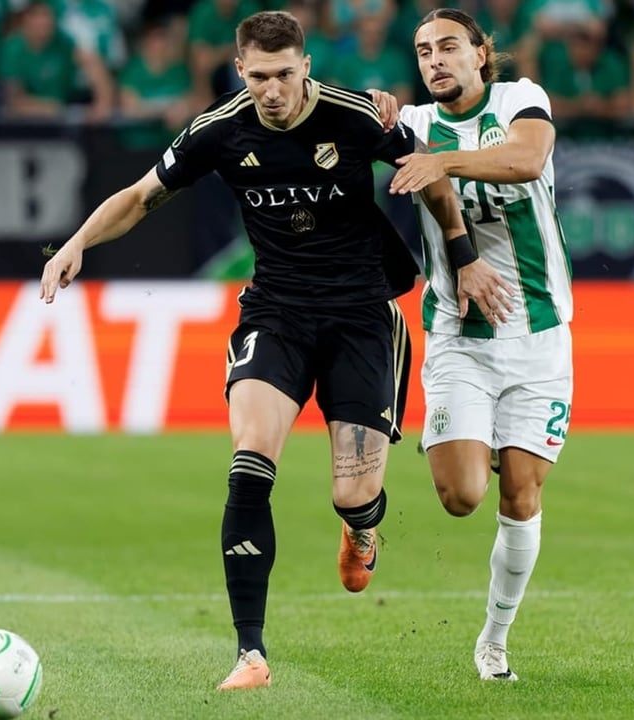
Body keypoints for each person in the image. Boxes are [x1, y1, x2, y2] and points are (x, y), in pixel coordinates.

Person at [40, 9, 506, 692]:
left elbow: (430, 174)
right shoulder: (220, 129)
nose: (273, 90)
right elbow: (143, 197)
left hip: (360, 317)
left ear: (306, 67)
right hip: (277, 313)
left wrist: (463, 257)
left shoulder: (356, 117)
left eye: (285, 74)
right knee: (249, 462)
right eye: (259, 77)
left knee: (354, 493)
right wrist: (77, 243)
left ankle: (362, 529)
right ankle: (249, 654)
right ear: (240, 72)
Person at [389, 7, 573, 682]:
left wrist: (439, 158)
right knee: (463, 496)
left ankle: (494, 638)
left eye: (446, 47)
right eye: (421, 51)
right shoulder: (410, 124)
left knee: (521, 499)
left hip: (542, 338)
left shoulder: (519, 100)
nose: (433, 60)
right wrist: (380, 111)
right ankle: (458, 433)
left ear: (479, 53)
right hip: (460, 336)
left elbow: (528, 160)